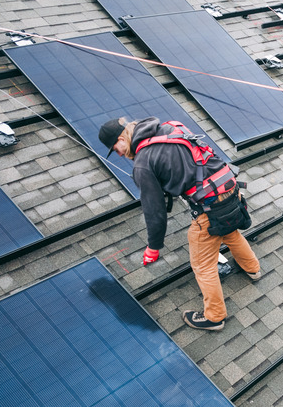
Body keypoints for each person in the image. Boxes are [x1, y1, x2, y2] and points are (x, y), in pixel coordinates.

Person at [99, 117, 263, 331]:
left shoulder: (142, 163)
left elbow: (154, 210)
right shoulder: (170, 127)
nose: (120, 154)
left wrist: (153, 247)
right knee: (230, 232)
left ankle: (215, 317)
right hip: (231, 189)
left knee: (203, 265)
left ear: (122, 138)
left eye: (116, 149)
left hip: (210, 208)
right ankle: (253, 270)